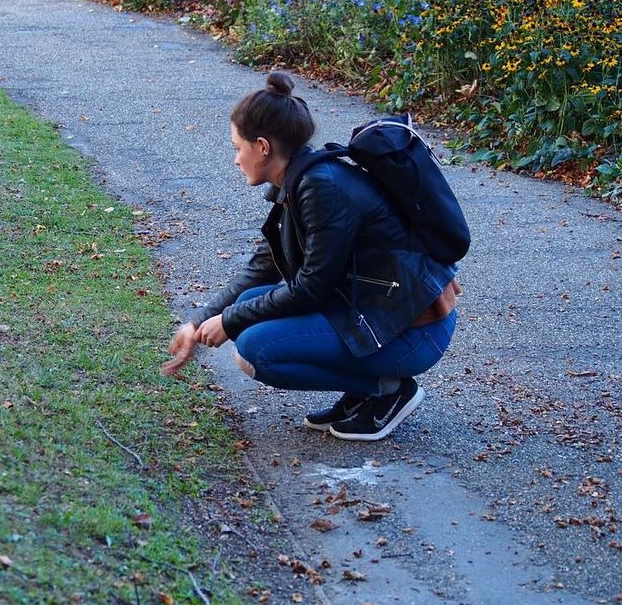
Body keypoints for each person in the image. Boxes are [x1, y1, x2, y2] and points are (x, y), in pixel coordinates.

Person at [162, 71, 460, 441]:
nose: (236, 160)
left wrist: (230, 320)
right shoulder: (302, 179)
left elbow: (311, 289)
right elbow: (263, 266)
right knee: (251, 303)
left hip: (415, 332)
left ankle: (387, 391)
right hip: (376, 314)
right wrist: (200, 320)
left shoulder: (321, 188)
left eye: (238, 148)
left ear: (263, 147)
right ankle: (364, 392)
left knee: (257, 349)